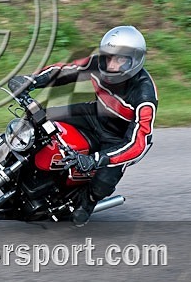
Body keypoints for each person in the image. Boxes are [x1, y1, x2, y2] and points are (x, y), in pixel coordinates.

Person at [8, 26, 158, 226]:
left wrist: (96, 159)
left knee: (103, 182)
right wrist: (31, 80)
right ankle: (10, 159)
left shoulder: (144, 94)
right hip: (95, 113)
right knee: (38, 117)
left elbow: (139, 143)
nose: (111, 65)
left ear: (135, 60)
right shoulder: (96, 63)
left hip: (119, 137)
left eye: (120, 60)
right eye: (108, 57)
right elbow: (65, 70)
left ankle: (87, 202)